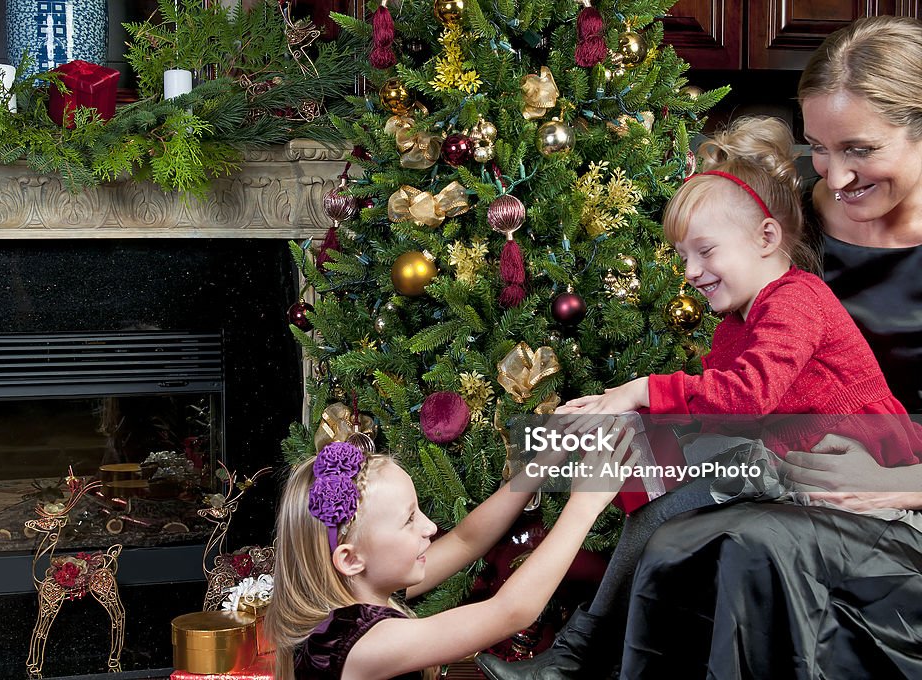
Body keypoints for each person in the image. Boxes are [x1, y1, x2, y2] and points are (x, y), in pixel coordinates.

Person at [476, 115, 922, 680]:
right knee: (660, 509)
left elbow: (744, 399)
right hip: (791, 462)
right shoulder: (737, 321)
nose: (690, 271)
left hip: (864, 473)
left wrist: (640, 393)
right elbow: (712, 416)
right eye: (683, 256)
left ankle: (577, 656)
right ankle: (575, 655)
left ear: (766, 238)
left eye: (705, 251)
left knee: (693, 476)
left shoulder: (796, 300)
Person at [616, 15, 922, 678]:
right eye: (819, 147)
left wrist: (907, 480)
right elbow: (746, 379)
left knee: (753, 546)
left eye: (860, 150)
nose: (835, 177)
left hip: (900, 504)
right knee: (676, 534)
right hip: (798, 477)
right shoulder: (781, 221)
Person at [265, 421, 634, 680]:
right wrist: (586, 504)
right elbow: (512, 612)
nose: (428, 528)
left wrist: (541, 465)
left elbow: (465, 540)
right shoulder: (360, 643)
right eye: (409, 520)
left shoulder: (359, 593)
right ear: (350, 559)